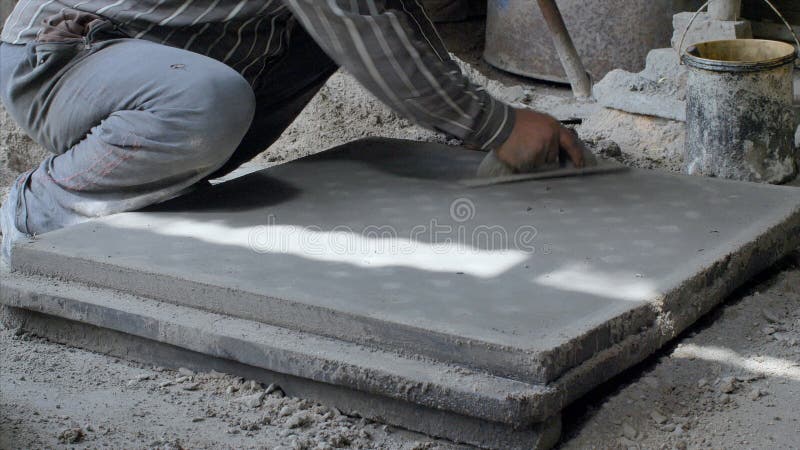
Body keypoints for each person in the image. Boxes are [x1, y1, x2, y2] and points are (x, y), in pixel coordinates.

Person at [0, 0, 586, 265]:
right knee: (210, 102)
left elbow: (387, 19)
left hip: (156, 60)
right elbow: (357, 23)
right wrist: (496, 126)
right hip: (64, 54)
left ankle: (159, 180)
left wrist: (481, 126)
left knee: (325, 39)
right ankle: (35, 213)